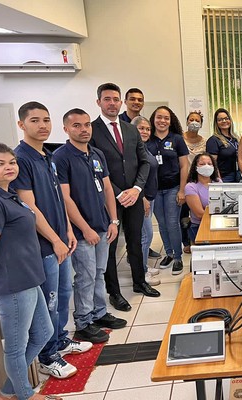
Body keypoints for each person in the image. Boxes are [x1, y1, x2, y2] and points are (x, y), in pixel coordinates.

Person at [12, 102, 84, 380]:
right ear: (22, 125)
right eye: (34, 120)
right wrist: (54, 240)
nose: (42, 125)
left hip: (60, 240)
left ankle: (61, 341)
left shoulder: (47, 156)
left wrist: (67, 231)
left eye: (46, 120)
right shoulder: (21, 159)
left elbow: (58, 200)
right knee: (50, 301)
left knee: (64, 294)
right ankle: (47, 356)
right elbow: (30, 207)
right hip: (43, 246)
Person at [54, 108, 127, 344]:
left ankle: (99, 312)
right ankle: (84, 322)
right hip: (82, 231)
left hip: (103, 225)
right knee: (85, 276)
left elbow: (107, 188)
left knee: (99, 272)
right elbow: (65, 198)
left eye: (87, 125)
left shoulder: (96, 154)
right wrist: (85, 228)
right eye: (77, 125)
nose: (83, 129)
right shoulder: (61, 157)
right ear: (66, 128)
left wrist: (113, 221)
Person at [90, 82, 159, 313]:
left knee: (136, 241)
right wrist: (119, 192)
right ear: (99, 102)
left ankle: (140, 282)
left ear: (121, 103)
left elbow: (145, 161)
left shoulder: (131, 129)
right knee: (110, 246)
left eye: (115, 99)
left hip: (134, 196)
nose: (112, 103)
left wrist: (137, 189)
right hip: (110, 198)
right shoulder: (92, 130)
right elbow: (94, 168)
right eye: (107, 99)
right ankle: (115, 292)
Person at [0, 141, 55, 400]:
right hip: (13, 283)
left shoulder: (10, 195)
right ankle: (25, 395)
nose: (9, 167)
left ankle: (9, 390)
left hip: (29, 277)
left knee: (44, 333)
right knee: (16, 348)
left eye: (12, 162)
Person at [147, 106, 189, 276]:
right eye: (159, 117)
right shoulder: (147, 139)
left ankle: (178, 257)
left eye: (166, 118)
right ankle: (169, 253)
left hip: (173, 188)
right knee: (162, 224)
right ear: (153, 119)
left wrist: (182, 190)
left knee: (172, 223)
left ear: (171, 121)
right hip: (154, 190)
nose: (162, 121)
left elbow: (185, 165)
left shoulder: (177, 139)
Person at [132, 116, 161, 285]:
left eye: (147, 129)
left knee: (145, 235)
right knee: (146, 235)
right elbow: (134, 177)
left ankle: (143, 266)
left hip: (150, 197)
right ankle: (141, 273)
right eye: (141, 128)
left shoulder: (144, 148)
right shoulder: (133, 150)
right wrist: (142, 198)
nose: (145, 131)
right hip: (141, 199)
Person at [181, 110, 207, 254]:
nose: (194, 122)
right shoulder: (180, 139)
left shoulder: (204, 141)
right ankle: (186, 242)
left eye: (197, 120)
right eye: (191, 119)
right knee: (184, 214)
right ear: (187, 122)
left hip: (199, 180)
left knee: (198, 212)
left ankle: (198, 239)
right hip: (183, 180)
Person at [185, 153, 222, 245]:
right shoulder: (191, 187)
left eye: (209, 164)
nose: (206, 166)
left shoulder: (218, 182)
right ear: (196, 167)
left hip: (219, 224)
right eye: (202, 164)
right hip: (199, 226)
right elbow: (199, 214)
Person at [206, 108, 239, 182]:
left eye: (226, 118)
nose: (224, 121)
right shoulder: (213, 140)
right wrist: (218, 179)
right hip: (224, 177)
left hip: (237, 175)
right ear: (216, 123)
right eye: (220, 120)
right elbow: (212, 163)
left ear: (230, 120)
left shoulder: (235, 138)